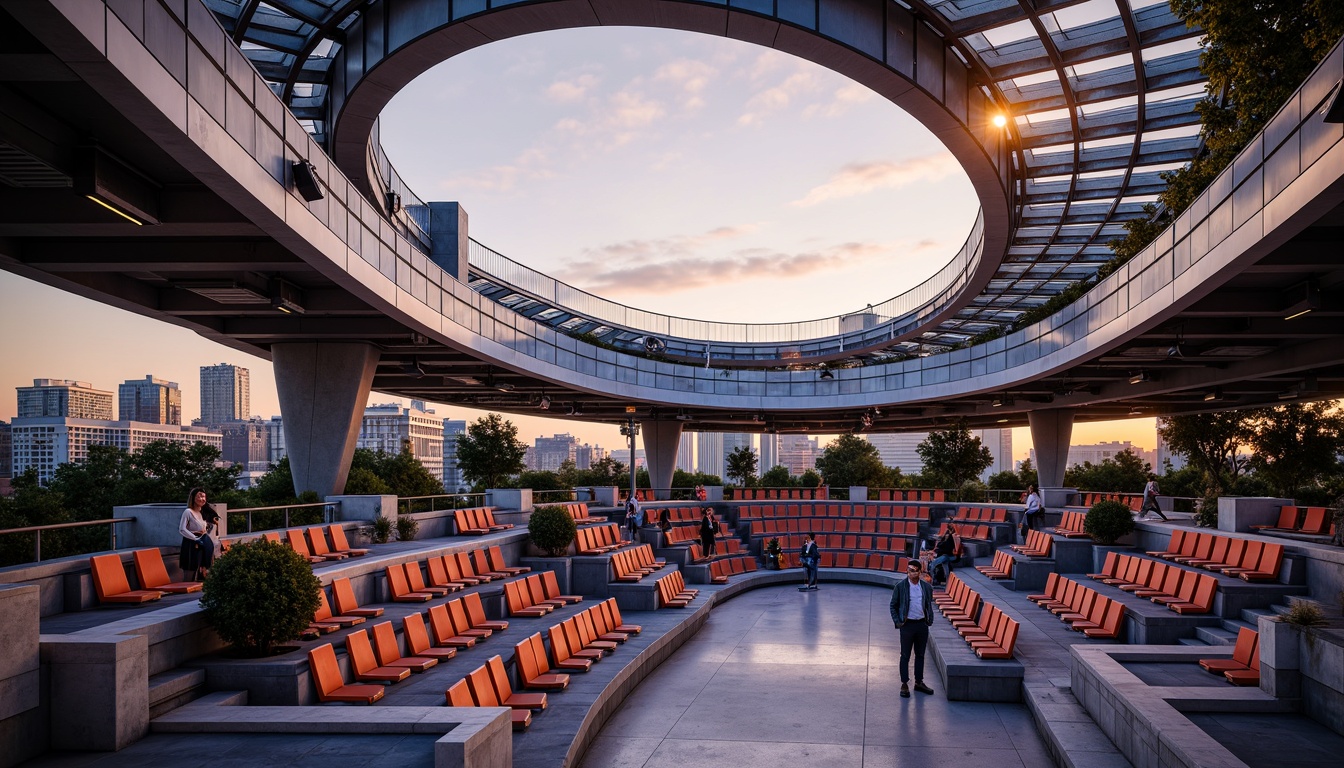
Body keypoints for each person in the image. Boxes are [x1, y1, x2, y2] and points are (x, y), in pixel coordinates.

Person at [890, 560, 935, 698]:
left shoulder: (927, 587)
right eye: (909, 570)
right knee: (905, 655)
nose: (911, 572)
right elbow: (893, 605)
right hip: (907, 625)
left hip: (921, 624)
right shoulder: (900, 586)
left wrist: (929, 619)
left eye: (914, 570)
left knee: (920, 655)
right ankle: (904, 683)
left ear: (920, 572)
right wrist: (898, 622)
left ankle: (919, 682)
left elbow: (928, 604)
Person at [179, 487, 215, 581]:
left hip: (202, 543)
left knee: (202, 570)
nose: (202, 499)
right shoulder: (188, 512)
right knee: (191, 568)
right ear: (193, 498)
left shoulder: (201, 513)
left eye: (204, 497)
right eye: (199, 496)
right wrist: (195, 538)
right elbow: (182, 529)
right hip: (192, 544)